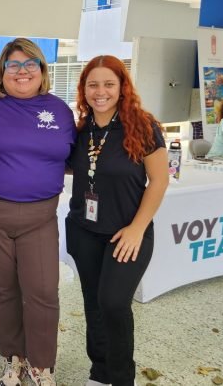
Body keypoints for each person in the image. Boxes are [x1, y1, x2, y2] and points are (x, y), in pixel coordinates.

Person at [0, 38, 75, 386]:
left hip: (41, 215)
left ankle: (42, 366)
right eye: (14, 65)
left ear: (43, 71)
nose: (22, 71)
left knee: (42, 291)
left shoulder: (59, 110)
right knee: (4, 290)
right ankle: (15, 359)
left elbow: (70, 157)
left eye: (31, 65)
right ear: (2, 70)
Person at [65, 55, 168, 386]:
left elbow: (160, 181)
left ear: (123, 87)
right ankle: (100, 372)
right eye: (93, 84)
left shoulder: (143, 126)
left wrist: (138, 229)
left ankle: (123, 377)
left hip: (128, 232)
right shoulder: (81, 130)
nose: (100, 91)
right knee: (93, 305)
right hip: (84, 230)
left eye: (109, 84)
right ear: (83, 89)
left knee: (112, 303)